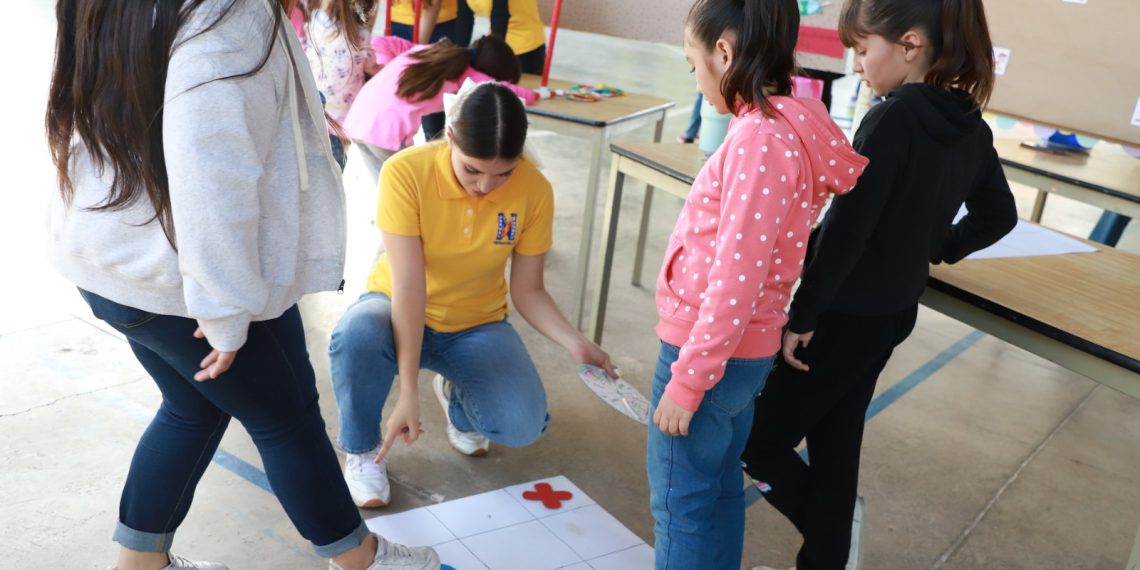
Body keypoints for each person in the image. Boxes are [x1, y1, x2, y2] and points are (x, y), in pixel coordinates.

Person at [44, 1, 438, 568]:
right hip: (187, 274)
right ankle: (363, 559)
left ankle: (139, 564)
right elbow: (212, 165)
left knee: (191, 407)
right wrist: (226, 309)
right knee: (287, 417)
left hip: (110, 256)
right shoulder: (231, 11)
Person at [740, 0, 1019, 568]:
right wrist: (935, 244)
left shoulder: (893, 118)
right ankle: (829, 548)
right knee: (837, 446)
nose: (857, 64)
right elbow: (998, 216)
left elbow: (847, 230)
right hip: (890, 317)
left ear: (910, 45)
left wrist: (804, 316)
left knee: (754, 444)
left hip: (839, 319)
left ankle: (826, 532)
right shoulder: (970, 123)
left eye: (864, 49)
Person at [646, 0, 869, 568]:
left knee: (682, 505)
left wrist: (688, 380)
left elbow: (734, 279)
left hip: (708, 354)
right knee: (717, 490)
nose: (696, 79)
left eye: (694, 63)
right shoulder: (787, 124)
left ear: (723, 53)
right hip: (742, 355)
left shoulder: (760, 141)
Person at [328, 82, 617, 509]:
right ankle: (363, 449)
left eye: (504, 173)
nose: (487, 185)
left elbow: (529, 289)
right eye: (473, 170)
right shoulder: (406, 172)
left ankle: (455, 399)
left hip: (476, 322)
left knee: (522, 424)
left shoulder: (535, 191)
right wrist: (408, 393)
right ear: (450, 139)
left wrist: (576, 342)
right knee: (356, 335)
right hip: (397, 308)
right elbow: (410, 286)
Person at [343, 34, 537, 187]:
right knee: (405, 189)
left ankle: (392, 231)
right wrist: (537, 94)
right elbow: (503, 89)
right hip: (386, 133)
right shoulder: (465, 75)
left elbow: (380, 42)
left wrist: (384, 67)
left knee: (389, 187)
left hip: (359, 119)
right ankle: (398, 233)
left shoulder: (427, 51)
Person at [302, 0, 382, 169]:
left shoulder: (316, 21)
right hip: (342, 120)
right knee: (335, 172)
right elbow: (371, 67)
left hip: (313, 106)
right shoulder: (360, 36)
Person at [456, 0, 548, 74]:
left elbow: (500, 15)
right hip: (498, 40)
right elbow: (464, 17)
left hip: (526, 46)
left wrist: (495, 56)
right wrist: (459, 56)